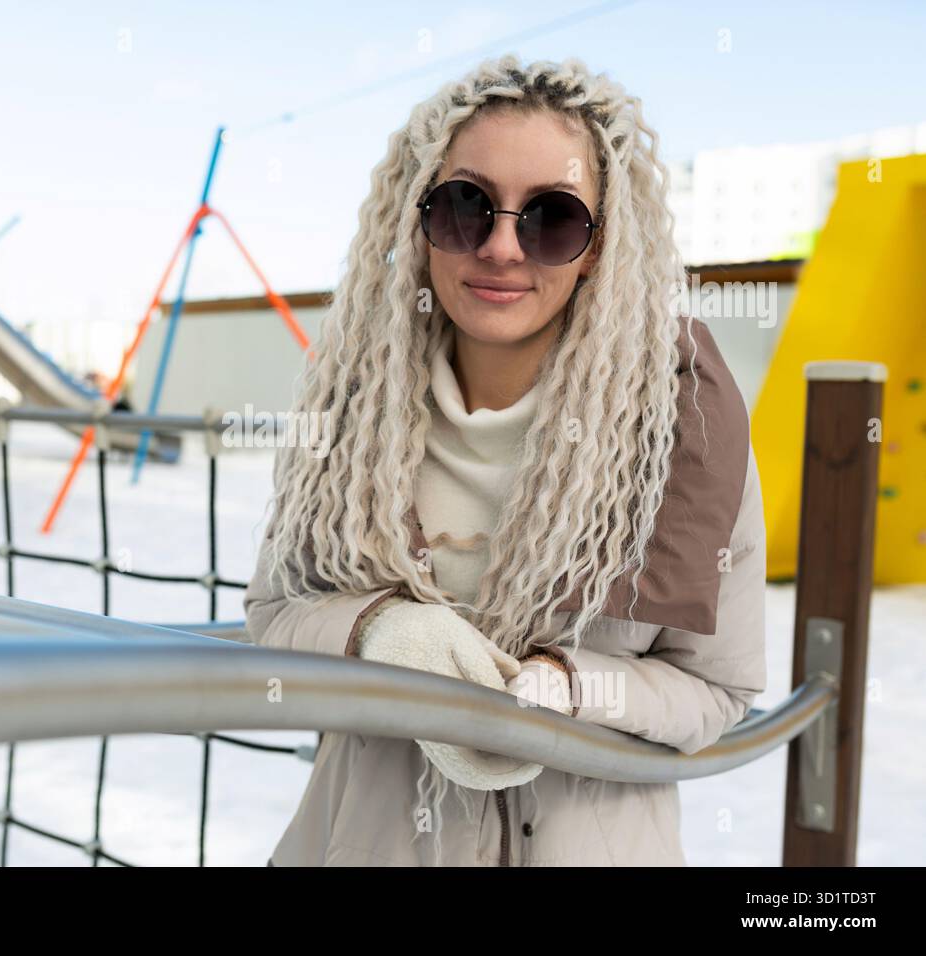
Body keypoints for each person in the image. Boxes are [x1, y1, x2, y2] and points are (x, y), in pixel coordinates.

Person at [243, 53, 767, 866]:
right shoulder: (352, 408)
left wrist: (568, 689)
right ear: (416, 220)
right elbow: (274, 618)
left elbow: (718, 690)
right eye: (464, 206)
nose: (498, 247)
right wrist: (382, 633)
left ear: (598, 245)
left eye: (551, 218)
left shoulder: (684, 429)